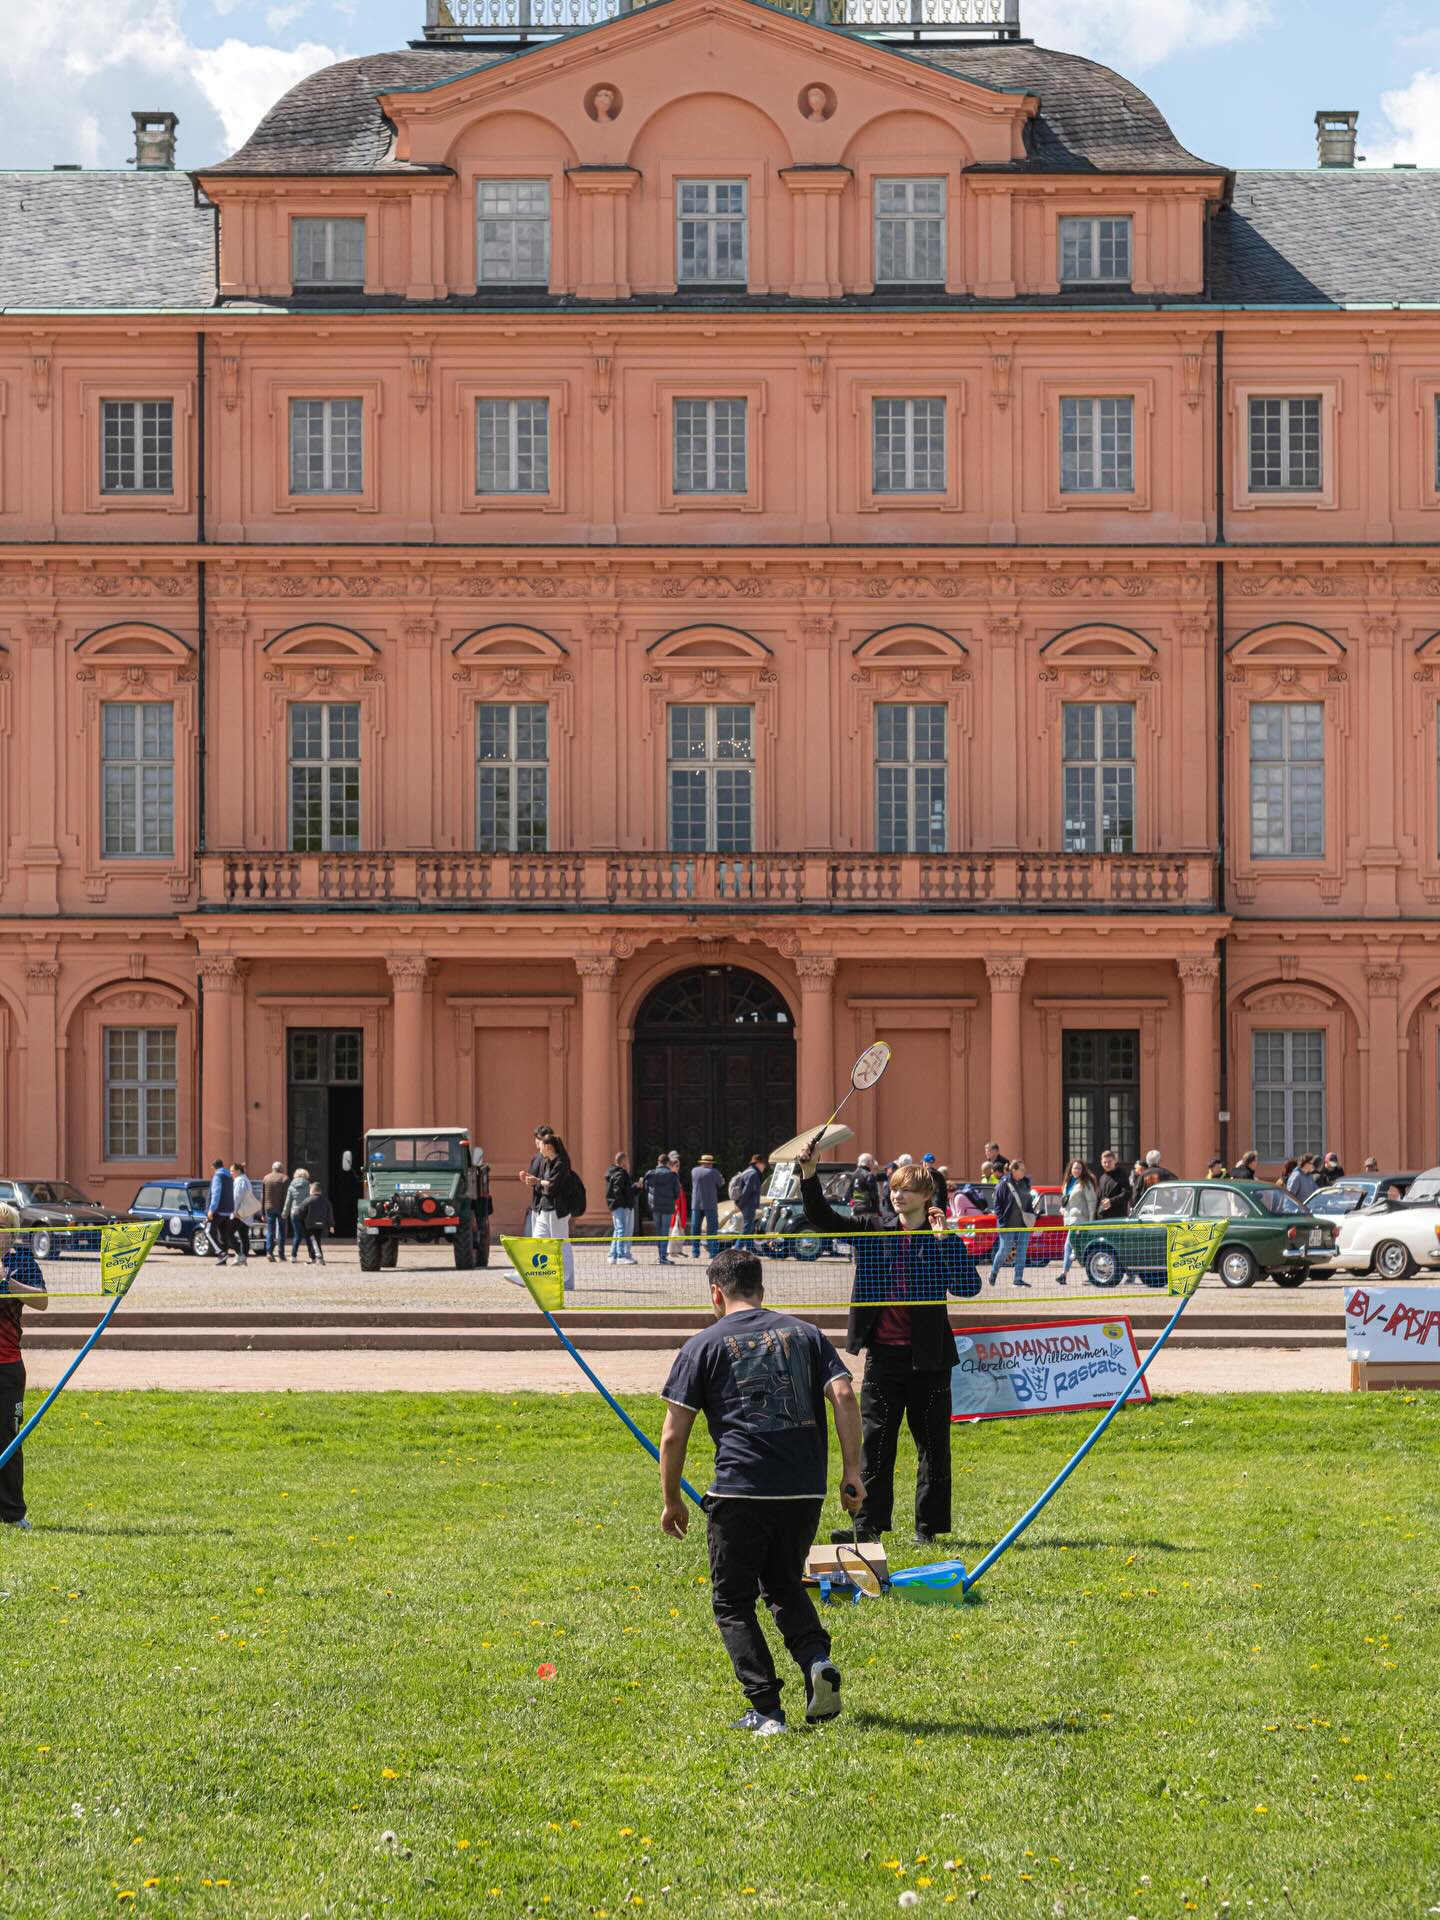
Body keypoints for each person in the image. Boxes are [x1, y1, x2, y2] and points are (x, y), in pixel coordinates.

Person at [659, 1246, 863, 1737]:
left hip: (739, 1490)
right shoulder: (807, 1334)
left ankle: (766, 1708)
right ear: (762, 1290)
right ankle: (816, 1660)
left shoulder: (702, 1346)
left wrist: (671, 1500)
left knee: (732, 1601)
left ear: (716, 1293)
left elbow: (672, 1434)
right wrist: (852, 1471)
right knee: (784, 1584)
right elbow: (845, 1394)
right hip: (803, 1491)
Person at [799, 1158, 979, 1546]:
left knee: (933, 1447)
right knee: (876, 1444)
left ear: (927, 1195)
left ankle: (927, 1529)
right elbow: (821, 1217)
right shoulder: (872, 1230)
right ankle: (867, 1525)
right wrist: (809, 1174)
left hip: (929, 1360)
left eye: (906, 1190)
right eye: (894, 1188)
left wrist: (945, 1239)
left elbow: (968, 1285)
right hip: (883, 1357)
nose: (897, 1195)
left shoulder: (940, 1238)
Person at [0, 1203, 47, 1531]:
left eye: (4, 1228)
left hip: (7, 1366)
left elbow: (42, 1300)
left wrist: (7, 1282)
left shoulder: (20, 1262)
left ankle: (13, 1513)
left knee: (9, 1441)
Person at [522, 1128, 577, 1292]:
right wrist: (540, 1182)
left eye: (541, 1144)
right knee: (537, 1243)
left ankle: (567, 1281)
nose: (538, 1147)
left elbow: (553, 1186)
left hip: (557, 1209)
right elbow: (546, 1184)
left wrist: (539, 1181)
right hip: (544, 1209)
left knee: (561, 1245)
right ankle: (531, 1276)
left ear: (549, 1147)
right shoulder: (547, 1162)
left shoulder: (561, 1163)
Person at [989, 1158, 1037, 1289]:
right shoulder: (1003, 1183)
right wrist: (1002, 1220)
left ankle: (1018, 1279)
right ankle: (994, 1272)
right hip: (1007, 1225)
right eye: (1021, 1169)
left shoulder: (1025, 1183)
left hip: (1023, 1224)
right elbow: (997, 1205)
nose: (1024, 1172)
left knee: (1022, 1251)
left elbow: (1028, 1202)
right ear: (1013, 1170)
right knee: (1004, 1249)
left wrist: (1032, 1215)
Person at [1059, 1158, 1097, 1281]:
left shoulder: (1085, 1183)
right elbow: (1066, 1200)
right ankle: (1092, 1274)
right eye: (1075, 1168)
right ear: (1070, 1169)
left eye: (1079, 1168)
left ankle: (1064, 1274)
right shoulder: (1068, 1183)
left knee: (1068, 1245)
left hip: (1081, 1219)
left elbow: (1092, 1202)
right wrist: (1062, 1208)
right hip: (1069, 1219)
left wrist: (1091, 1221)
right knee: (1077, 1247)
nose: (1077, 1170)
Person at [643, 1154, 681, 1264]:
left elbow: (646, 1189)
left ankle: (660, 1255)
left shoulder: (650, 1174)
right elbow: (677, 1193)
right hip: (667, 1206)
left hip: (655, 1206)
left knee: (659, 1231)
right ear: (667, 1163)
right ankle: (663, 1257)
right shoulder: (672, 1175)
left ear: (658, 1162)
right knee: (664, 1232)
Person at [605, 1150, 638, 1265]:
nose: (629, 1163)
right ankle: (621, 1255)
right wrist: (624, 1202)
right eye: (627, 1161)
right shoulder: (621, 1173)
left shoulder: (612, 1172)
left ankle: (612, 1255)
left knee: (618, 1229)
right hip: (620, 1206)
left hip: (615, 1205)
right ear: (623, 1162)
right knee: (621, 1229)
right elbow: (618, 1191)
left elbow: (622, 1190)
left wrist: (635, 1188)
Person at [690, 1153, 724, 1260]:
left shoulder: (694, 1171)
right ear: (711, 1164)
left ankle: (695, 1252)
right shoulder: (714, 1172)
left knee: (695, 1228)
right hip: (710, 1204)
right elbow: (721, 1183)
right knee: (712, 1229)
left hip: (696, 1204)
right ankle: (712, 1252)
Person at [207, 1158, 239, 1267]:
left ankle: (221, 1253)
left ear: (214, 1167)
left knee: (209, 1231)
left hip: (218, 1210)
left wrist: (211, 1210)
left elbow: (216, 1193)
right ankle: (223, 1259)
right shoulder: (230, 1177)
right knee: (224, 1235)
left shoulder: (218, 1176)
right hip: (228, 1209)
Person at [731, 1153, 765, 1251]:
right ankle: (737, 1249)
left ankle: (750, 1249)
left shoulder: (748, 1171)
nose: (764, 1167)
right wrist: (741, 1204)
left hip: (746, 1204)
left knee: (750, 1227)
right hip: (748, 1204)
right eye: (763, 1164)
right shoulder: (753, 1174)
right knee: (748, 1227)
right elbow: (747, 1191)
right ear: (758, 1163)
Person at [298, 1181, 334, 1264]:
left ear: (312, 1190)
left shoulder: (308, 1200)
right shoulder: (326, 1201)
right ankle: (313, 1257)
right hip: (321, 1224)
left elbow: (300, 1211)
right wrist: (331, 1225)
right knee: (316, 1239)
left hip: (310, 1224)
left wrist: (301, 1218)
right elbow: (330, 1213)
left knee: (314, 1240)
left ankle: (319, 1257)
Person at [230, 1160, 257, 1266]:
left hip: (240, 1212)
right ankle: (243, 1257)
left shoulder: (240, 1180)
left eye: (232, 1171)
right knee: (243, 1235)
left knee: (228, 1233)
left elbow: (237, 1196)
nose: (231, 1173)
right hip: (246, 1212)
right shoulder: (245, 1180)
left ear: (238, 1171)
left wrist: (234, 1210)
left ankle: (239, 1253)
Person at [282, 1166, 311, 1262]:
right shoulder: (308, 1185)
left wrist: (285, 1213)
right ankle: (312, 1256)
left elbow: (288, 1202)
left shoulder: (291, 1186)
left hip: (295, 1212)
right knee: (308, 1235)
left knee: (297, 1235)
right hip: (306, 1212)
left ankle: (293, 1256)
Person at [261, 1160, 289, 1263]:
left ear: (273, 1168)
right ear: (281, 1168)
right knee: (281, 1232)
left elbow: (262, 1196)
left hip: (268, 1208)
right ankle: (281, 1255)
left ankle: (269, 1252)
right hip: (281, 1208)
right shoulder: (284, 1178)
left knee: (270, 1231)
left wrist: (262, 1212)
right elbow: (286, 1196)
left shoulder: (266, 1178)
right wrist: (287, 1210)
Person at [848, 1153, 882, 1227]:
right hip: (868, 1210)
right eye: (872, 1161)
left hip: (856, 1209)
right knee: (877, 1231)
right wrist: (876, 1210)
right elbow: (874, 1195)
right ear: (869, 1162)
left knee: (858, 1230)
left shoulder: (854, 1175)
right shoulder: (869, 1175)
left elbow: (850, 1193)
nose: (873, 1163)